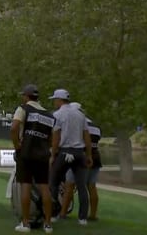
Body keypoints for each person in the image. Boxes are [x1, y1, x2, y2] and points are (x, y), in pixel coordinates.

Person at [10, 84, 55, 233]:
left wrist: (17, 145)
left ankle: (25, 223)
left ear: (26, 96)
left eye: (24, 95)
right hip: (43, 155)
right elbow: (54, 137)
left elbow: (14, 127)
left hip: (26, 153)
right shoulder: (49, 115)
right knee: (44, 187)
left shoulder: (23, 109)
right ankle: (48, 224)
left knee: (26, 186)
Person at [48, 89, 93, 226]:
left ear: (60, 100)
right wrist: (89, 154)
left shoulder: (58, 115)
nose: (54, 102)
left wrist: (53, 154)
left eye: (55, 99)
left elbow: (56, 136)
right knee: (81, 186)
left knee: (54, 183)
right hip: (79, 153)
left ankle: (54, 214)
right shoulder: (80, 115)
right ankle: (82, 218)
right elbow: (86, 136)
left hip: (64, 152)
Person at [58, 102, 102, 221]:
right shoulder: (96, 126)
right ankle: (93, 215)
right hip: (95, 157)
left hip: (80, 157)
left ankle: (63, 213)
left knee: (69, 185)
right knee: (91, 186)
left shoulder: (76, 124)